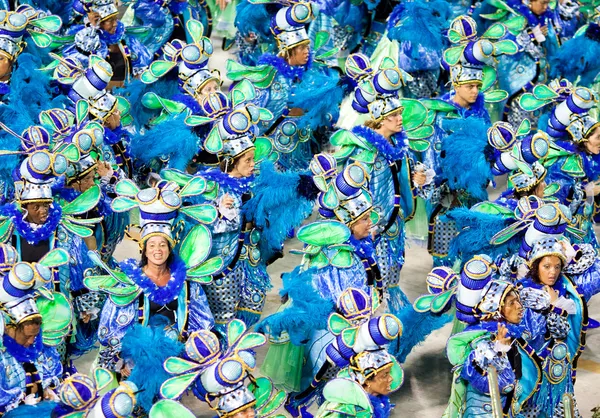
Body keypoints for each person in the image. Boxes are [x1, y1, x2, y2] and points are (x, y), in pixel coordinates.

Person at [444, 277, 541, 417]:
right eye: (511, 303)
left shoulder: (509, 335)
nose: (519, 306)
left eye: (518, 300)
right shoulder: (482, 343)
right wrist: (498, 352)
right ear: (495, 309)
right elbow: (501, 385)